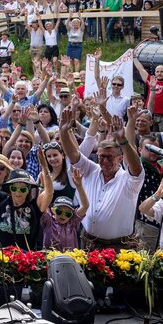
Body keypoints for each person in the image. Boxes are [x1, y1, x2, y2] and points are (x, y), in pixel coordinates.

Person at [60, 104, 144, 250]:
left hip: (120, 247)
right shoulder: (91, 169)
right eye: (101, 157)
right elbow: (73, 155)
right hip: (89, 242)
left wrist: (123, 140)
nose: (104, 161)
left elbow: (136, 168)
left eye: (109, 157)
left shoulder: (128, 180)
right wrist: (63, 132)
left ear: (120, 158)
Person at [41, 169, 88, 250]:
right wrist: (44, 187)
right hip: (50, 260)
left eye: (68, 214)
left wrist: (79, 186)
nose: (63, 215)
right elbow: (42, 204)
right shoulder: (49, 221)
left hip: (70, 260)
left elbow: (85, 206)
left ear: (72, 214)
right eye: (59, 211)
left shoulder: (73, 222)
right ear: (52, 210)